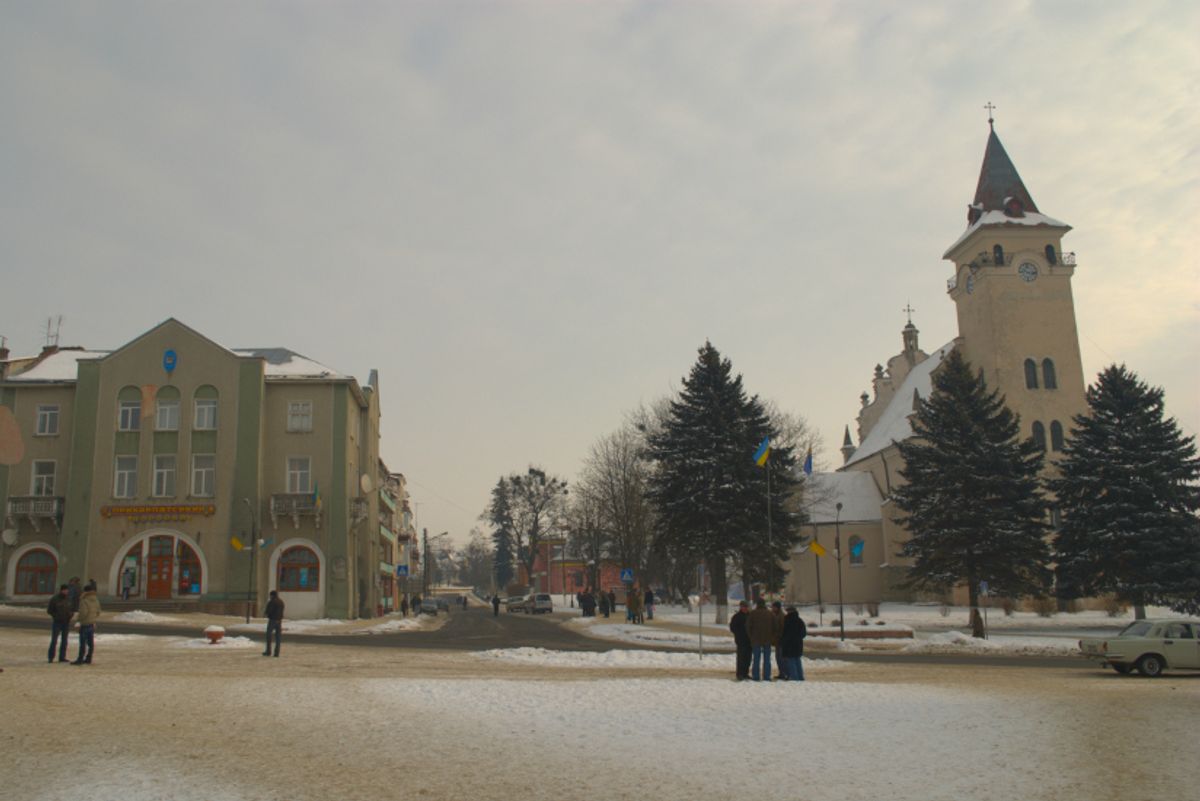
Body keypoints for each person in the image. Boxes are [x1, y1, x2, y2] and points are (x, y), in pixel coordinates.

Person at [71, 581, 101, 665]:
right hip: (92, 623)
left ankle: (80, 659)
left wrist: (79, 620)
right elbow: (98, 611)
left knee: (83, 643)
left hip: (85, 624)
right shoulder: (96, 600)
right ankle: (89, 658)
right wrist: (93, 618)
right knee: (90, 643)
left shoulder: (84, 600)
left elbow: (83, 612)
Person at [746, 598, 774, 681]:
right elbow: (776, 627)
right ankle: (766, 676)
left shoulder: (753, 614)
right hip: (767, 639)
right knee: (767, 659)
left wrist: (751, 636)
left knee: (756, 659)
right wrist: (772, 637)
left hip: (755, 639)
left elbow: (748, 626)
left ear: (757, 604)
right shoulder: (770, 614)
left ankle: (756, 676)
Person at [47, 584, 74, 663]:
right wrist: (56, 616)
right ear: (61, 590)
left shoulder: (68, 599)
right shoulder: (55, 599)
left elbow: (71, 609)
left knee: (64, 641)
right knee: (54, 640)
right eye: (65, 590)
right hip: (57, 622)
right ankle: (51, 657)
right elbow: (50, 611)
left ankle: (62, 657)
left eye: (67, 590)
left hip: (66, 622)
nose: (66, 591)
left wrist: (70, 615)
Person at [779, 606, 807, 681]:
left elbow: (785, 634)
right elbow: (804, 633)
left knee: (791, 661)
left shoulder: (787, 620)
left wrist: (783, 641)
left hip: (789, 645)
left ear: (788, 612)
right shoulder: (800, 620)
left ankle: (794, 678)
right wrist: (798, 638)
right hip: (798, 644)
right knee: (797, 660)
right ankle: (800, 677)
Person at [729, 600, 752, 681]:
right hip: (741, 640)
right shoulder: (737, 616)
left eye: (746, 607)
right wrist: (739, 633)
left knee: (748, 658)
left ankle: (746, 673)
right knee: (741, 658)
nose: (745, 608)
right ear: (741, 607)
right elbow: (732, 627)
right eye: (743, 607)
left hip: (749, 640)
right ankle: (740, 674)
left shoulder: (750, 615)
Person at [263, 590, 284, 657]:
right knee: (278, 637)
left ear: (272, 595)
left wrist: (266, 614)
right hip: (279, 620)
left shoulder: (272, 602)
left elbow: (269, 611)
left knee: (268, 635)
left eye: (270, 595)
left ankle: (268, 651)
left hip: (272, 620)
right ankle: (277, 653)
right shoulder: (281, 602)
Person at [770, 601, 786, 679]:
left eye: (773, 607)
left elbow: (782, 628)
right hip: (777, 640)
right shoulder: (775, 615)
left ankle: (783, 673)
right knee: (778, 658)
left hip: (780, 640)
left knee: (781, 658)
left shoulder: (781, 616)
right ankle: (781, 673)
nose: (772, 608)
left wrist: (777, 636)